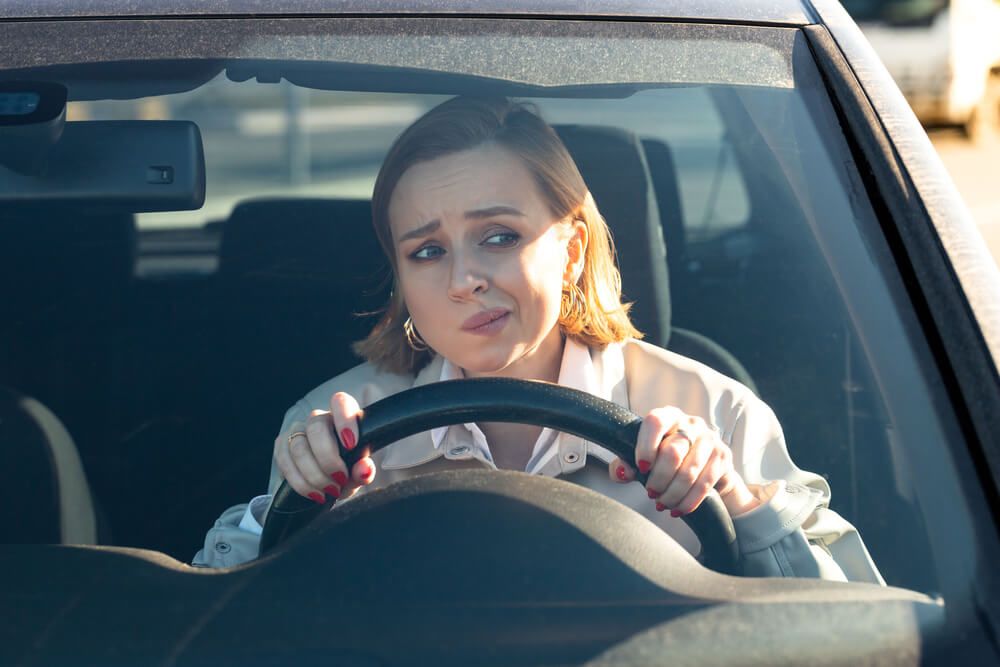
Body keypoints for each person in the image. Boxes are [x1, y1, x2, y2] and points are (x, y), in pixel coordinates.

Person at [194, 96, 884, 583]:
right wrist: (289, 506)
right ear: (400, 277)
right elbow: (220, 622)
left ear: (573, 247)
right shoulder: (333, 430)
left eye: (499, 236)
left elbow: (861, 623)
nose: (465, 279)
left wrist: (735, 497)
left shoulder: (715, 412)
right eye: (427, 252)